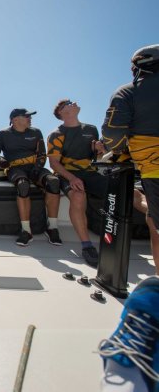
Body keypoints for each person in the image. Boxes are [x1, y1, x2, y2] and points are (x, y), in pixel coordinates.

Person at [102, 44, 159, 277]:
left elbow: (113, 133)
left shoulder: (127, 92)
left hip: (154, 169)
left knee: (156, 226)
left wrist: (117, 152)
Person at [0, 108, 62, 246]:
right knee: (23, 185)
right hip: (15, 168)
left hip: (36, 168)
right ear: (15, 119)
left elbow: (42, 154)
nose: (30, 118)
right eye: (27, 116)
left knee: (53, 182)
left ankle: (52, 227)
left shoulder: (36, 132)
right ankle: (26, 231)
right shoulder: (2, 134)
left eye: (30, 116)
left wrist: (37, 169)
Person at [47, 99, 106, 267]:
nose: (74, 103)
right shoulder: (56, 134)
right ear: (61, 112)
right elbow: (54, 164)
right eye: (69, 103)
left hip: (90, 172)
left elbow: (97, 158)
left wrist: (100, 151)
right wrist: (72, 178)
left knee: (127, 191)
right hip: (66, 173)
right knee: (78, 196)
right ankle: (87, 246)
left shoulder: (91, 129)